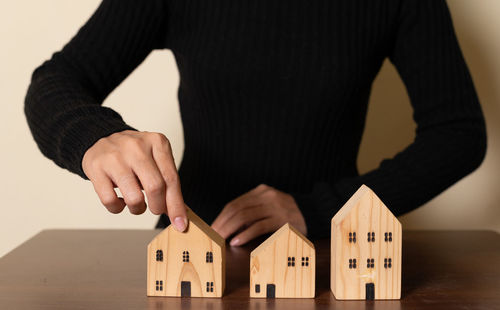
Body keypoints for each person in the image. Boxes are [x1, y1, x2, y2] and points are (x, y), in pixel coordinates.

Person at [24, 0, 486, 246]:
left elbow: (459, 132)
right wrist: (96, 135)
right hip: (194, 253)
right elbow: (57, 80)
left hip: (327, 258)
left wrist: (319, 209)